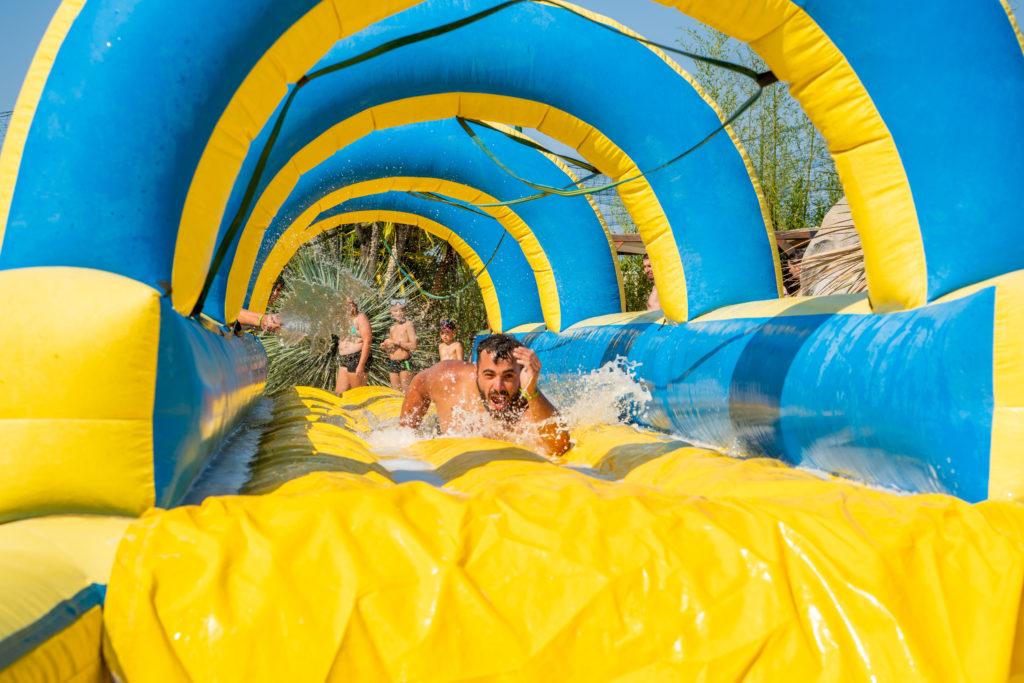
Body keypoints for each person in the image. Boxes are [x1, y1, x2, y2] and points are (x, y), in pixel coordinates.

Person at [400, 333, 571, 456]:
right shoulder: (449, 379)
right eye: (489, 375)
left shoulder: (525, 410)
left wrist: (532, 392)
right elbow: (418, 385)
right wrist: (408, 432)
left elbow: (559, 447)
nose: (498, 387)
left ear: (520, 374)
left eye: (508, 376)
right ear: (476, 371)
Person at [335, 296, 372, 394]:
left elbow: (367, 341)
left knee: (357, 394)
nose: (349, 306)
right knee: (339, 394)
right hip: (345, 359)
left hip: (357, 358)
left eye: (351, 303)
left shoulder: (360, 318)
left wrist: (361, 365)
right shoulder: (343, 320)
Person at [381, 299, 417, 392]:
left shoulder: (408, 325)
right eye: (395, 311)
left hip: (405, 363)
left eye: (401, 310)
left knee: (405, 393)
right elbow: (392, 350)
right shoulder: (392, 329)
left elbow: (414, 346)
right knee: (396, 394)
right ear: (391, 312)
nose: (399, 313)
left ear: (405, 311)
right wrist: (385, 347)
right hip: (393, 363)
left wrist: (396, 342)